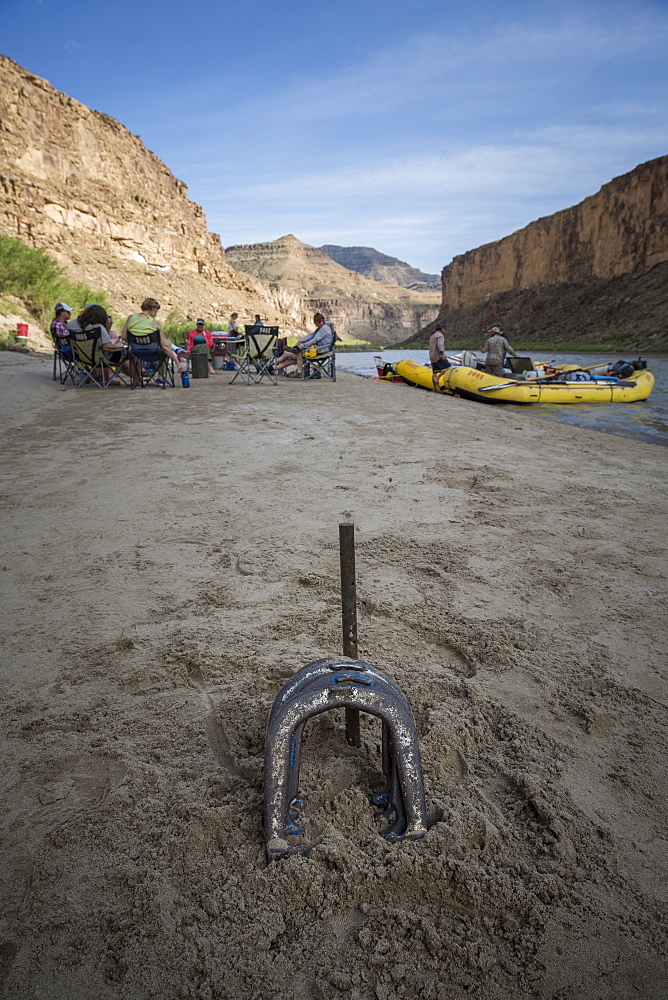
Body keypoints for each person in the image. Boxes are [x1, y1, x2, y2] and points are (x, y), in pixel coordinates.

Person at [120, 298, 185, 380]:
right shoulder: (155, 323)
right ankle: (160, 379)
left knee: (132, 355)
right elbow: (164, 346)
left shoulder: (131, 318)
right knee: (164, 351)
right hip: (152, 353)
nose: (155, 315)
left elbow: (123, 337)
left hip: (136, 353)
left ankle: (136, 381)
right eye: (156, 312)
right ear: (152, 309)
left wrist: (137, 341)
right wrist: (177, 362)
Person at [428, 324, 450, 391]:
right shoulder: (440, 335)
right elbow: (439, 345)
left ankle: (434, 388)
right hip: (438, 356)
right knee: (447, 367)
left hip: (432, 356)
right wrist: (442, 354)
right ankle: (438, 377)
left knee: (435, 371)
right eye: (444, 328)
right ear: (442, 329)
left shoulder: (433, 336)